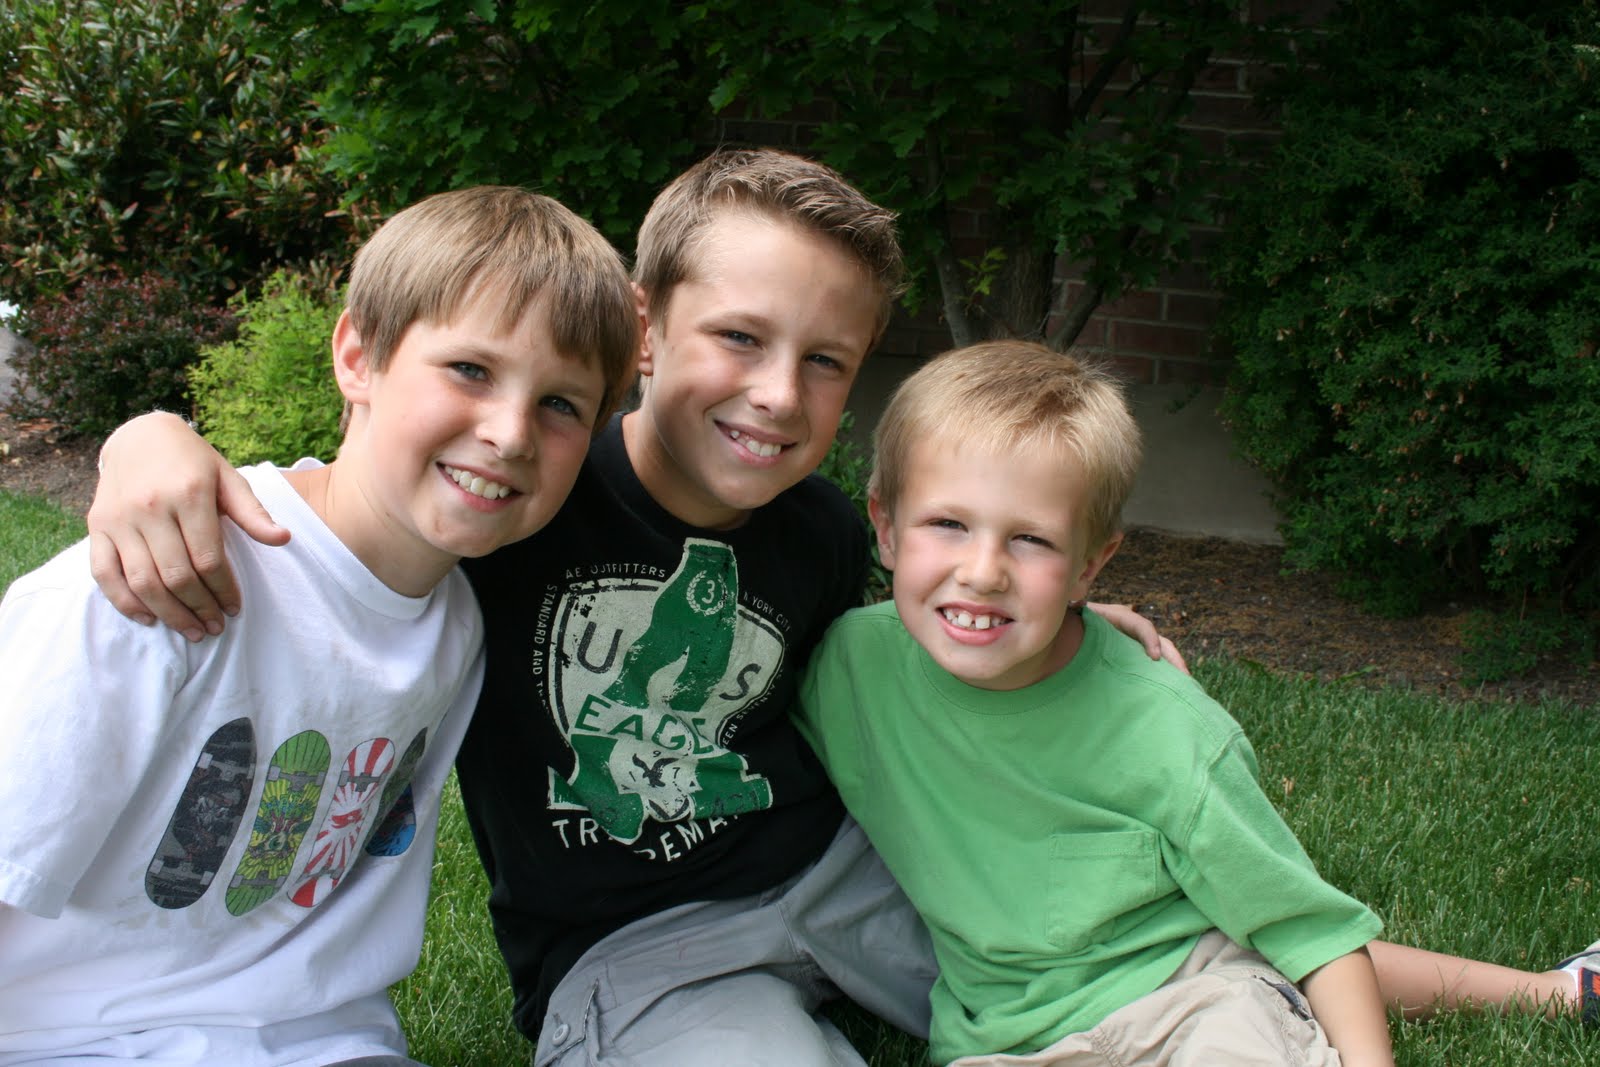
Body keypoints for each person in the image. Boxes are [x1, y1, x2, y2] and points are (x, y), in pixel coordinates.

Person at [81, 149, 1177, 1066]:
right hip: (639, 944)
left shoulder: (825, 530)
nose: (778, 394)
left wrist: (1065, 642)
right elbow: (350, 512)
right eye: (740, 338)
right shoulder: (519, 499)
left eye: (825, 360)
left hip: (841, 869)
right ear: (643, 327)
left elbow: (902, 654)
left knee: (1113, 962)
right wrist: (147, 440)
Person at [795, 340, 1600, 1066]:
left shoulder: (1168, 732)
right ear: (886, 528)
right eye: (947, 523)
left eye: (1031, 539)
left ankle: (1567, 991)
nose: (982, 571)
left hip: (1194, 1001)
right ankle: (1563, 990)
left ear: (1089, 565)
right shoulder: (848, 668)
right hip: (1002, 1039)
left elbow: (1312, 932)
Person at [0, 185, 640, 1066]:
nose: (510, 432)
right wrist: (144, 435)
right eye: (470, 369)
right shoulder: (162, 581)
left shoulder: (463, 617)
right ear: (357, 356)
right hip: (74, 1040)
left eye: (562, 404)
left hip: (321, 1040)